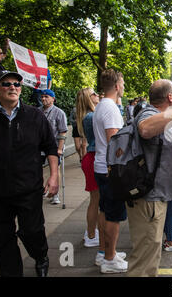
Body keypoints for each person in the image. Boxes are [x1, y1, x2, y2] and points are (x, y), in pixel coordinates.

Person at [128, 79, 172, 277]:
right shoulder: (149, 113)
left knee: (150, 259)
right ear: (170, 97)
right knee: (143, 263)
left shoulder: (162, 116)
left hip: (156, 199)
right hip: (149, 201)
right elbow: (145, 129)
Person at [0, 70, 59, 277]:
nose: (13, 87)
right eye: (6, 84)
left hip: (28, 188)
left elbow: (50, 147)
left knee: (32, 231)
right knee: (3, 238)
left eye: (16, 84)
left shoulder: (35, 116)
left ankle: (41, 256)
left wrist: (54, 176)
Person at [93, 69, 128, 273]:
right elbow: (115, 144)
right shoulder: (111, 109)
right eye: (122, 83)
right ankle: (110, 258)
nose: (123, 86)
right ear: (116, 86)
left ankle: (103, 252)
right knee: (114, 214)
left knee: (104, 210)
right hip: (109, 169)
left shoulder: (101, 105)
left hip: (101, 165)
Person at [76, 88, 100, 248]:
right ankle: (91, 235)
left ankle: (91, 232)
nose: (97, 95)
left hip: (90, 158)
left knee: (95, 200)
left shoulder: (88, 116)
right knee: (96, 201)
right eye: (94, 94)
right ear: (88, 98)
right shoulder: (91, 116)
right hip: (93, 159)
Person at [40, 89, 68, 205]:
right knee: (37, 169)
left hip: (54, 146)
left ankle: (55, 194)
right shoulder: (38, 111)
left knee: (55, 169)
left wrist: (60, 149)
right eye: (42, 96)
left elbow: (62, 132)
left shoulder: (59, 113)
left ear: (53, 99)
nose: (43, 99)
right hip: (40, 147)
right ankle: (41, 190)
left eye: (46, 96)